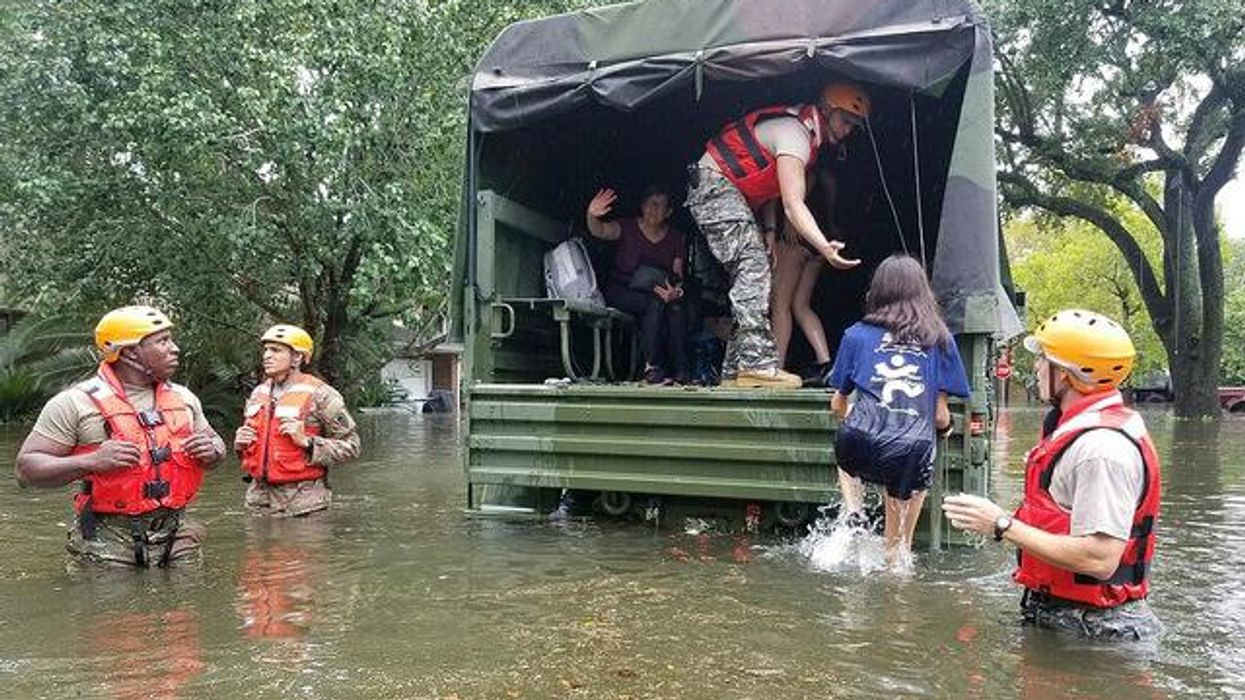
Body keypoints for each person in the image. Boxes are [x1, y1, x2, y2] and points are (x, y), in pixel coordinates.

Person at [942, 309, 1163, 641]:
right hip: (1069, 619)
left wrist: (1001, 524)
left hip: (1097, 633)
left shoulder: (1101, 450)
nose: (1036, 366)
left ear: (1066, 374)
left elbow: (1100, 558)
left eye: (1044, 359)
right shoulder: (1076, 430)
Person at [686, 81, 868, 388]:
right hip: (714, 185)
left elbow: (768, 187)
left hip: (730, 193)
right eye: (845, 120)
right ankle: (757, 365)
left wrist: (769, 230)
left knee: (753, 271)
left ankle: (735, 370)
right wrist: (824, 246)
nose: (848, 129)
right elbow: (793, 203)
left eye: (854, 125)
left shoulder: (803, 138)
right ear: (826, 111)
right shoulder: (795, 133)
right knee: (754, 269)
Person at [14, 305, 226, 567]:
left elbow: (217, 446)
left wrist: (213, 450)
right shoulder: (74, 403)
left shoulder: (184, 398)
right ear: (129, 353)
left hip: (178, 534)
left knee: (184, 606)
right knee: (112, 608)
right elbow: (25, 471)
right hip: (107, 539)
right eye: (163, 341)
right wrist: (90, 462)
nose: (175, 348)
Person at [827, 255, 970, 564]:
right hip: (910, 452)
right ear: (923, 293)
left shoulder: (855, 334)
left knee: (849, 445)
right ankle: (898, 603)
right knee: (897, 554)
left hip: (859, 440)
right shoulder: (941, 339)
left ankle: (854, 512)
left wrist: (858, 416)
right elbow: (938, 416)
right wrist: (946, 430)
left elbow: (837, 404)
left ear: (876, 293)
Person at [234, 324, 360, 517]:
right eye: (266, 350)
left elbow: (352, 447)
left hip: (304, 506)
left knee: (300, 548)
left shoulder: (323, 396)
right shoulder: (258, 394)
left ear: (297, 357)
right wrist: (240, 445)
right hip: (258, 503)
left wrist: (308, 443)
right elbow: (250, 452)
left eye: (275, 350)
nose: (267, 355)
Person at [586, 185, 690, 384]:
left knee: (674, 307)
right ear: (642, 206)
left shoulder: (676, 237)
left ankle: (681, 370)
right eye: (650, 203)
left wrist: (676, 292)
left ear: (668, 212)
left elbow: (678, 274)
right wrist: (591, 214)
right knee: (656, 302)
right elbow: (599, 230)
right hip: (622, 291)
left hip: (658, 292)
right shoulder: (626, 227)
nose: (654, 208)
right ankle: (650, 366)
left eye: (660, 205)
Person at [769, 167, 841, 385]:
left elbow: (796, 198)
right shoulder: (827, 176)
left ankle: (777, 367)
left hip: (795, 239)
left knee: (779, 305)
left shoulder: (803, 169)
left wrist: (790, 224)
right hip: (817, 244)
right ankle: (825, 362)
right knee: (800, 306)